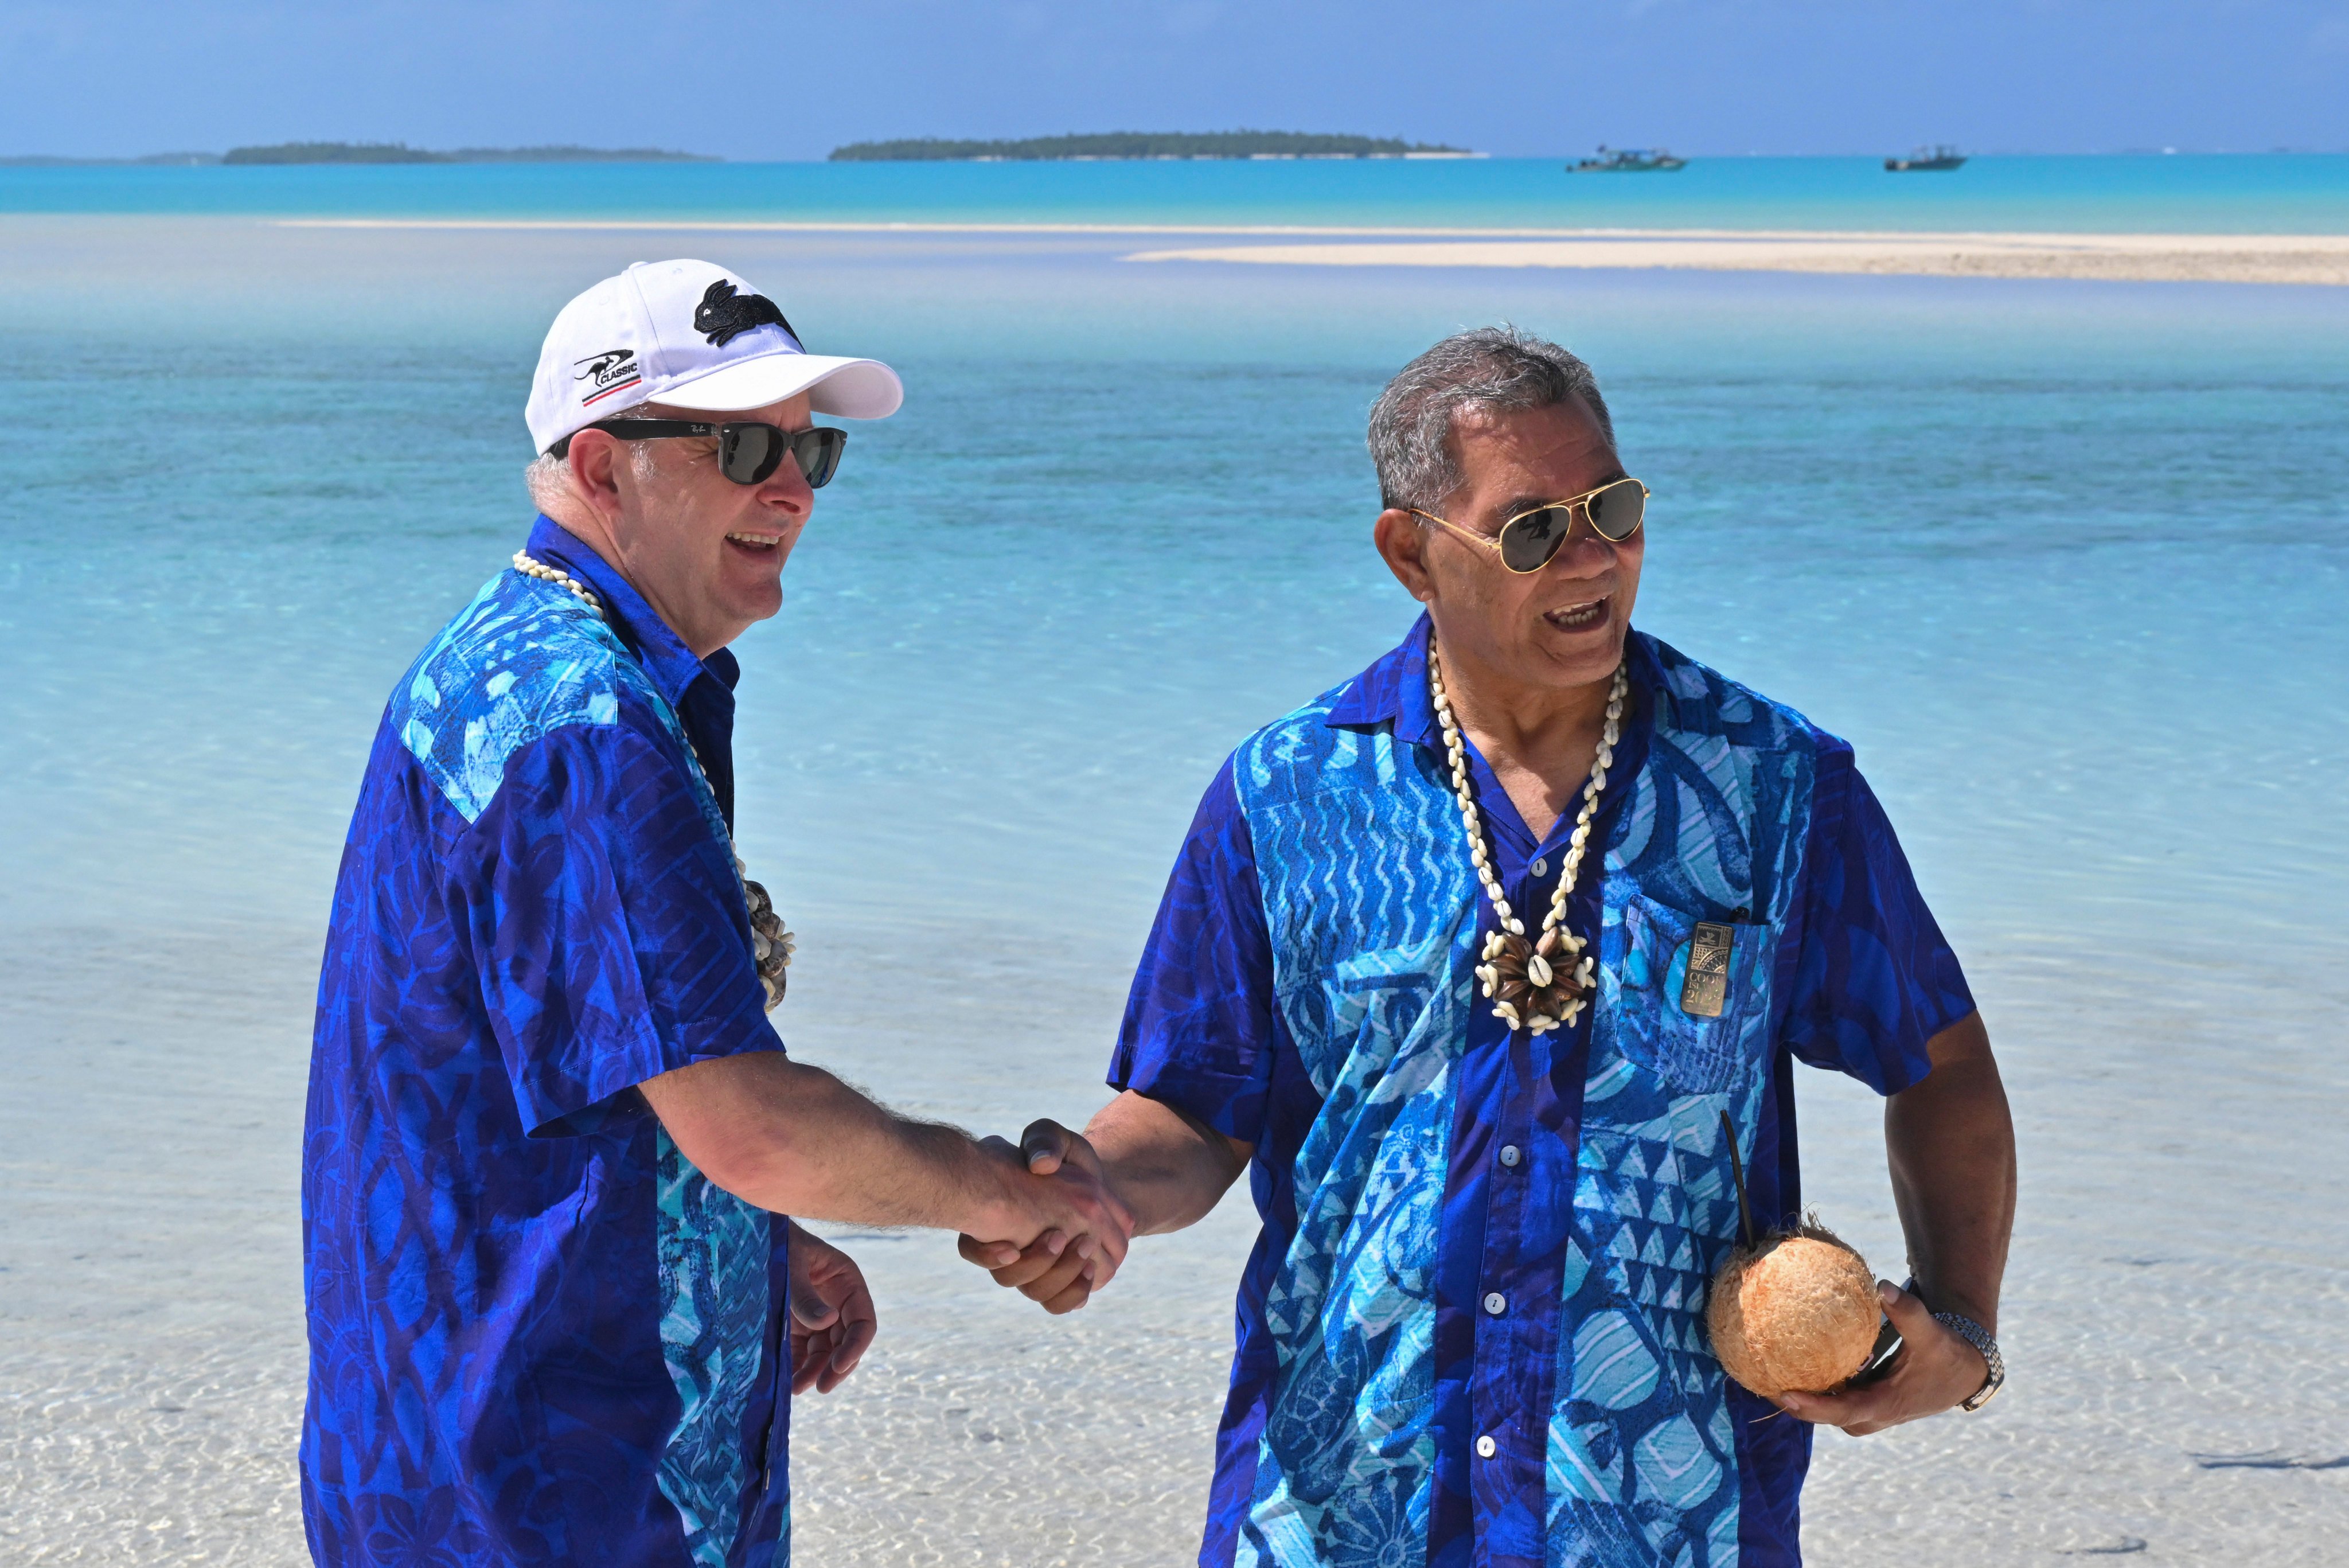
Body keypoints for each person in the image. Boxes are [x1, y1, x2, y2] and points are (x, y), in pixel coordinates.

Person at [963, 327, 2016, 1567]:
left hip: (1663, 1515)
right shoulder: (1285, 795)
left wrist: (1958, 1330)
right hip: (1334, 1505)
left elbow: (1941, 1070)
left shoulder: (1774, 788)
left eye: (1610, 509)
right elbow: (1193, 1110)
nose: (1591, 557)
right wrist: (1089, 1195)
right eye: (1531, 529)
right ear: (1411, 551)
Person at [301, 259, 1130, 1568]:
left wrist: (753, 1244)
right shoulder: (585, 722)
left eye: (812, 450)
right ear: (597, 464)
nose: (790, 488)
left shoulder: (527, 667)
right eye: (743, 444)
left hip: (470, 1452)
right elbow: (745, 1122)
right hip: (555, 1485)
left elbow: (563, 1072)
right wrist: (996, 1187)